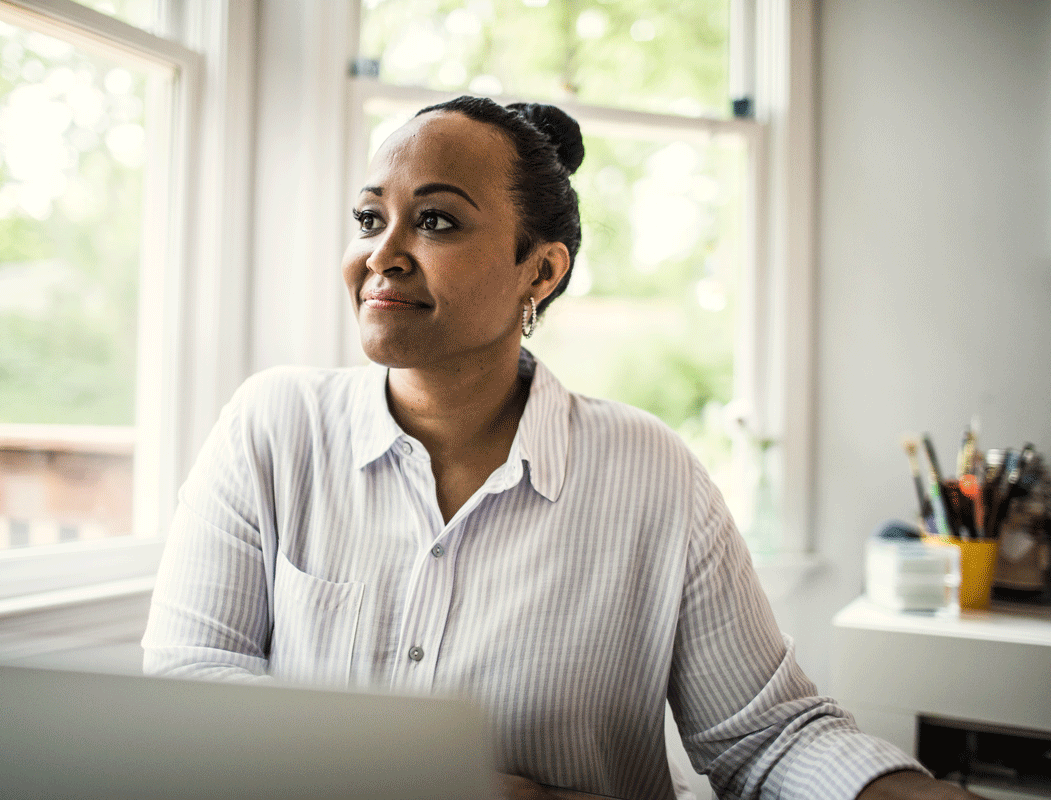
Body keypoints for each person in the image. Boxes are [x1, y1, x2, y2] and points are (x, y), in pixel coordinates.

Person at [142, 95, 980, 800]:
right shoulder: (272, 427)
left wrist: (899, 792)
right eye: (370, 218)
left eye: (434, 220)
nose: (382, 254)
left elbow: (769, 738)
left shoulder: (654, 474)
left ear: (539, 273)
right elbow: (189, 681)